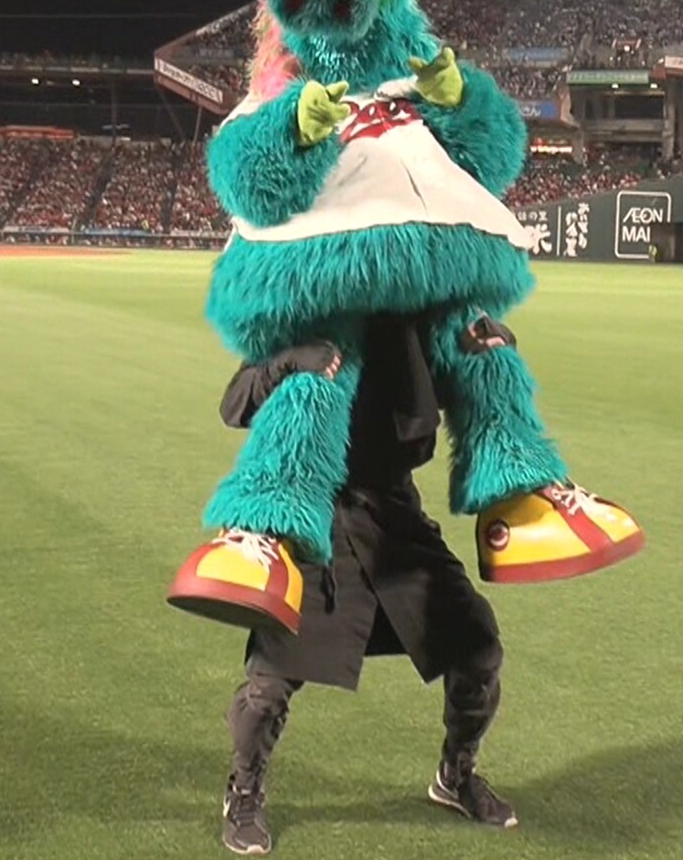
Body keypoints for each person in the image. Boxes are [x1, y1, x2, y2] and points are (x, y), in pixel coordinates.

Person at [216, 318, 518, 856]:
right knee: (267, 687)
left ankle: (456, 775)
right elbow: (235, 403)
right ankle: (243, 791)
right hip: (317, 523)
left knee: (478, 646)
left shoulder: (414, 318)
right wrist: (288, 362)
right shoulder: (302, 317)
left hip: (395, 521)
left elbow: (446, 388)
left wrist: (486, 354)